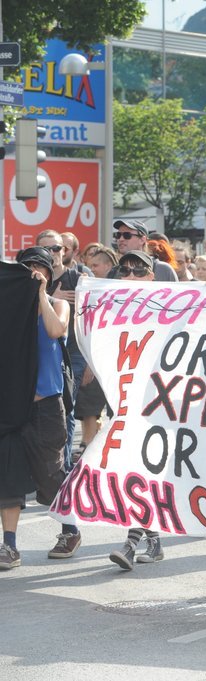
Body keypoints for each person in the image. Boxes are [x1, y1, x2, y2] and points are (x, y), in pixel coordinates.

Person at [0, 247, 83, 570]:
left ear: (49, 274)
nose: (33, 272)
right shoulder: (8, 308)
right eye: (27, 267)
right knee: (8, 476)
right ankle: (9, 545)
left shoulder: (58, 304)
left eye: (40, 268)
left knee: (50, 472)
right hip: (11, 406)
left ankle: (70, 529)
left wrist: (39, 294)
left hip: (46, 404)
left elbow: (55, 330)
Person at [106, 251, 166, 569]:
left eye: (139, 270)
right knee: (132, 471)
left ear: (151, 276)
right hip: (123, 399)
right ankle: (153, 540)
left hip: (157, 401)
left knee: (142, 470)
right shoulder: (112, 305)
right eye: (125, 270)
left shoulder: (170, 305)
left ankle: (131, 543)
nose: (130, 275)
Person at [35, 230, 87, 471]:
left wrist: (90, 361)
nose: (52, 253)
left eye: (56, 248)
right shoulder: (30, 279)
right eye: (46, 249)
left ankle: (63, 469)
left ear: (64, 250)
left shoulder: (79, 279)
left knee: (66, 410)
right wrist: (47, 295)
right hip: (40, 355)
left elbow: (91, 320)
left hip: (73, 352)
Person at [110, 220, 178, 282]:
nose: (121, 239)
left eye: (127, 235)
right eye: (118, 235)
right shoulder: (114, 271)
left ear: (142, 240)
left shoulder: (163, 270)